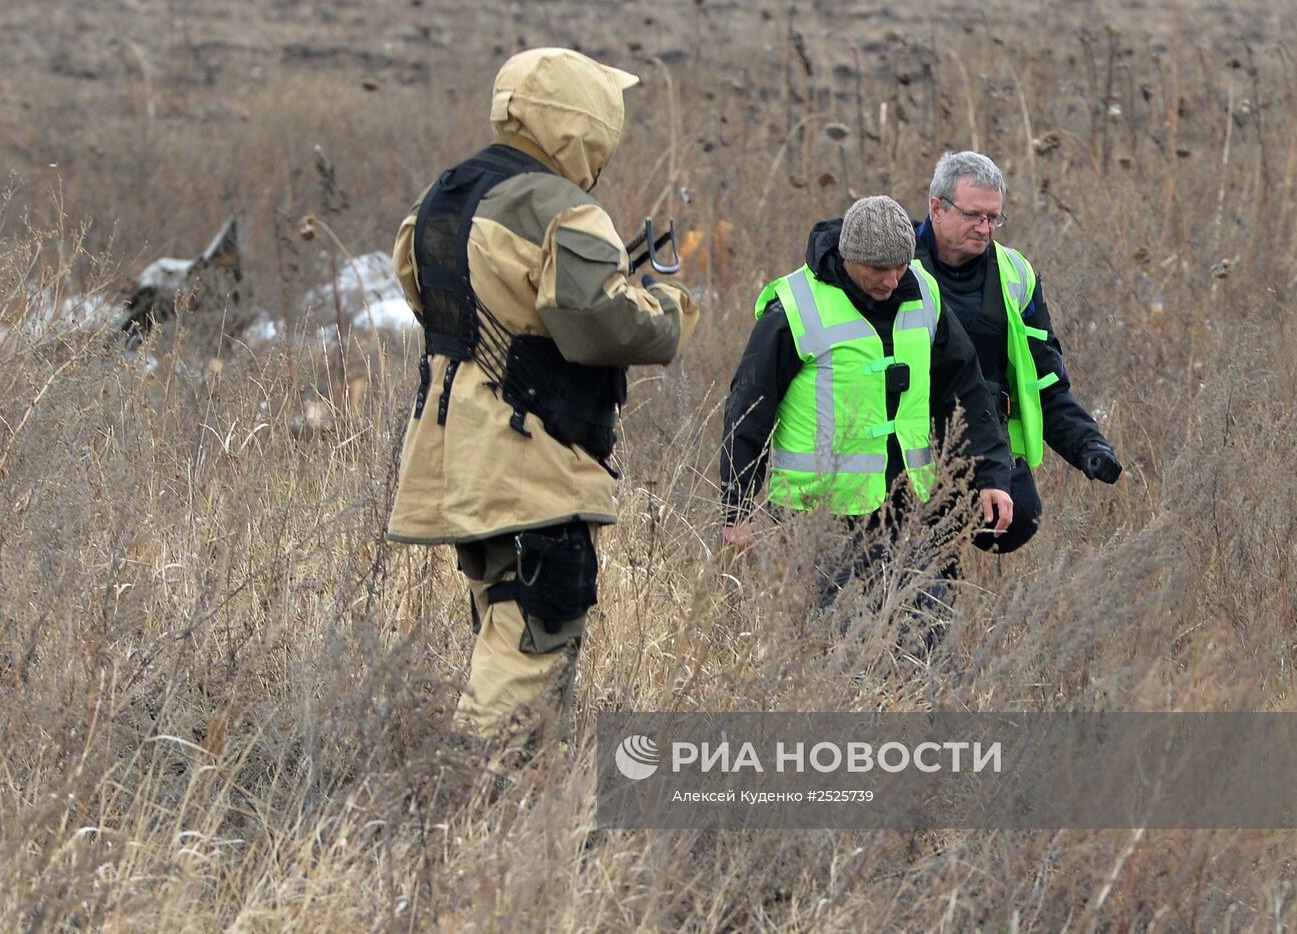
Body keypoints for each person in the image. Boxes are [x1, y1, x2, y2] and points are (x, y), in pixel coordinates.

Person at [388, 48, 700, 743]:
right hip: (533, 468)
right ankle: (473, 799)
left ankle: (522, 807)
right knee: (534, 635)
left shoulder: (441, 194)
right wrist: (671, 306)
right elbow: (599, 327)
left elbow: (424, 297)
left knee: (507, 622)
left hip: (454, 461)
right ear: (585, 122)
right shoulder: (562, 208)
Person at [720, 196, 1013, 613]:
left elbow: (964, 387)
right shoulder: (796, 306)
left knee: (926, 635)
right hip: (816, 518)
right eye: (878, 270)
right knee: (832, 648)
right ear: (847, 258)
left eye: (900, 267)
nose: (892, 281)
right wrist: (737, 509)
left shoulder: (924, 293)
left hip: (909, 509)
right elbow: (749, 406)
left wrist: (992, 472)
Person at [915, 151, 1121, 553]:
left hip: (985, 437)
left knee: (1020, 518)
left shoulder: (1016, 274)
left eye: (994, 218)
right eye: (974, 215)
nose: (985, 228)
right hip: (912, 440)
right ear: (936, 208)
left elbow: (1045, 381)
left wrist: (1088, 445)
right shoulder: (896, 268)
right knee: (921, 566)